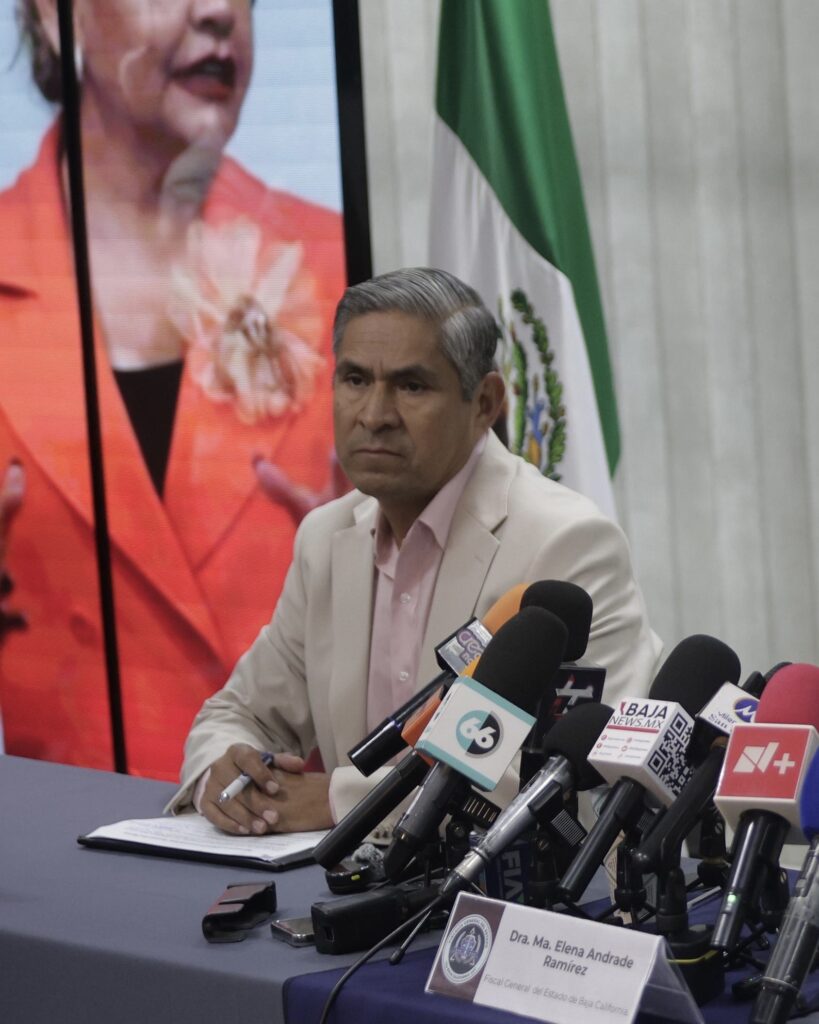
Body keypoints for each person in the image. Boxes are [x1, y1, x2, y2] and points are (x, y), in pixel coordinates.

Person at [168, 267, 663, 835]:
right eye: (355, 379)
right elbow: (239, 712)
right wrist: (225, 772)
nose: (374, 415)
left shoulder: (568, 543)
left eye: (411, 386)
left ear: (485, 402)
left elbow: (570, 777)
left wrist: (340, 802)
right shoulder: (325, 537)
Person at [0, 0, 345, 778]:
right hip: (60, 824)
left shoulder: (335, 268)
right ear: (53, 17)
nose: (219, 11)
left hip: (286, 820)